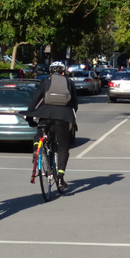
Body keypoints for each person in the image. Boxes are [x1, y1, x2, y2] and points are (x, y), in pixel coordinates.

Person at [24, 61, 78, 189]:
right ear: (63, 72)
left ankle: (37, 150)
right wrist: (70, 116)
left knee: (39, 133)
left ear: (50, 72)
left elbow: (35, 100)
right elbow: (75, 104)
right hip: (63, 116)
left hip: (46, 114)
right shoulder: (69, 82)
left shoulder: (45, 82)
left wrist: (30, 117)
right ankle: (60, 178)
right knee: (63, 147)